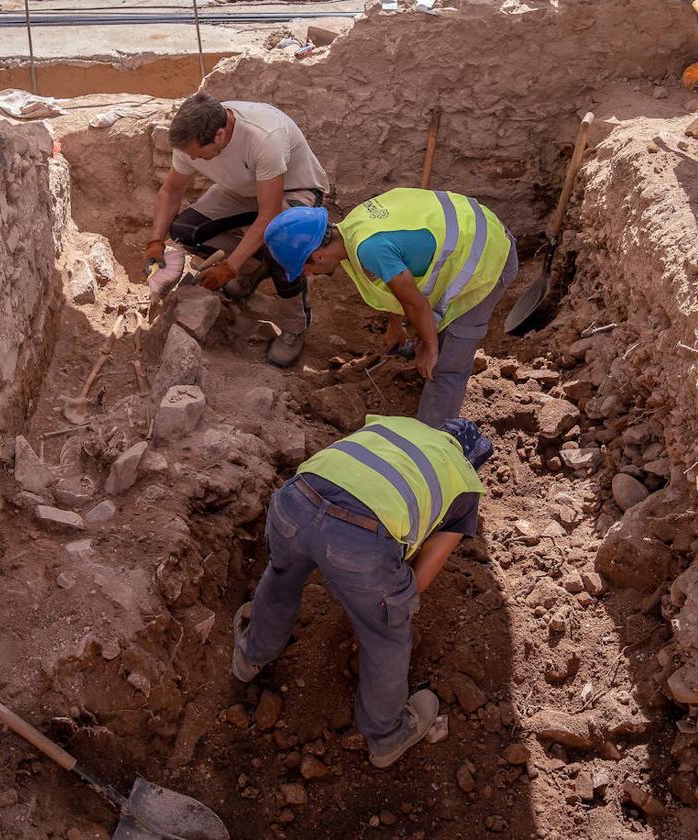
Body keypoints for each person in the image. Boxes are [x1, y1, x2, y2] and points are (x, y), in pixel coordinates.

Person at [231, 415, 493, 768]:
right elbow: (419, 580)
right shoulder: (465, 485)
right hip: (358, 539)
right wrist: (381, 599)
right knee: (387, 635)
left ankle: (250, 656)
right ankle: (388, 736)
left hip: (294, 500)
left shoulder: (395, 426)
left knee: (281, 575)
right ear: (471, 461)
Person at [262, 188, 519, 425]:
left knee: (447, 363)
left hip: (487, 255)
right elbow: (394, 282)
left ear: (317, 255)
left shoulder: (369, 248)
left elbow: (414, 303)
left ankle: (431, 442)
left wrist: (430, 348)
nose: (307, 275)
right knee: (434, 334)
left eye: (304, 268)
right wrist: (395, 326)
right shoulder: (355, 225)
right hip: (477, 226)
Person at [144, 93, 329, 367]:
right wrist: (155, 241)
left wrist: (228, 267)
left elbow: (268, 215)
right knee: (185, 230)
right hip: (244, 190)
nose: (192, 158)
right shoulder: (189, 141)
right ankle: (253, 268)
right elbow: (171, 190)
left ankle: (294, 327)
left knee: (282, 249)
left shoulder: (263, 137)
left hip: (294, 189)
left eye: (197, 153)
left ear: (220, 135)